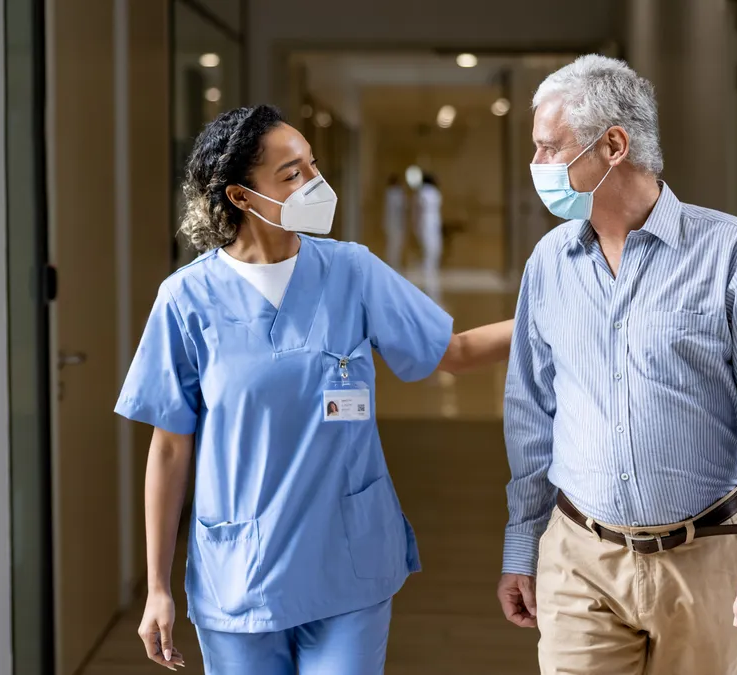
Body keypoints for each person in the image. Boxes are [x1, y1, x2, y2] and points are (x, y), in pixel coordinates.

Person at [116, 105, 514, 674]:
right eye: (292, 174)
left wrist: (555, 310)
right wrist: (157, 588)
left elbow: (454, 352)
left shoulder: (351, 271)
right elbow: (170, 446)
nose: (314, 183)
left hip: (347, 562)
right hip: (242, 576)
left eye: (313, 165)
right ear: (241, 197)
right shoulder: (187, 300)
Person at [499, 55, 737, 675]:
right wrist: (521, 543)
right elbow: (530, 415)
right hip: (578, 557)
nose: (537, 167)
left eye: (547, 148)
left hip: (706, 560)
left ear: (613, 145)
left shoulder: (730, 251)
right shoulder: (548, 263)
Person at [415, 173, 443, 303]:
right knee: (431, 250)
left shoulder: (425, 193)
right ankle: (428, 277)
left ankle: (430, 275)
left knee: (432, 250)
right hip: (429, 223)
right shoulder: (428, 193)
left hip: (429, 223)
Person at [383, 174, 407, 270]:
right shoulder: (395, 194)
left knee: (393, 246)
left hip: (393, 223)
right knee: (394, 246)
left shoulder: (390, 194)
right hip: (395, 224)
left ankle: (394, 264)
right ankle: (393, 265)